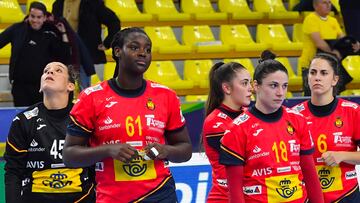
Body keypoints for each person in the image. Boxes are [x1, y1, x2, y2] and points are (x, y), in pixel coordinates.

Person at [64, 27, 192, 202]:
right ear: (118, 51)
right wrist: (108, 150)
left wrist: (165, 150)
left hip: (160, 194)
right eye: (134, 47)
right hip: (112, 197)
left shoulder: (166, 96)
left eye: (147, 49)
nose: (142, 53)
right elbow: (69, 156)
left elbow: (185, 149)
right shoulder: (92, 98)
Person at [219, 50, 324, 203]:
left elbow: (311, 177)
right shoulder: (237, 129)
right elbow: (235, 192)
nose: (281, 93)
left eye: (284, 86)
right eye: (274, 85)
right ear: (256, 86)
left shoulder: (298, 120)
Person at [4, 62, 95, 203]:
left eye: (58, 70)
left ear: (70, 86)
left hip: (80, 198)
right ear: (40, 86)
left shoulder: (84, 117)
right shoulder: (23, 120)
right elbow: (13, 171)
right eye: (46, 70)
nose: (50, 72)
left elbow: (98, 166)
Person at [292, 53, 360, 202]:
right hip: (307, 196)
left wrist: (342, 156)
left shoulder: (353, 112)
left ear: (334, 79)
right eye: (313, 72)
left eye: (324, 73)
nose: (317, 77)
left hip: (346, 196)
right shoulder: (294, 116)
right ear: (308, 78)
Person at [0, 1, 71, 107]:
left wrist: (63, 33)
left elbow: (64, 56)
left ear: (44, 18)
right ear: (28, 15)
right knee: (22, 118)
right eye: (32, 16)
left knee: (40, 118)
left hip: (43, 87)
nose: (35, 20)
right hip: (20, 86)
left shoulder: (50, 33)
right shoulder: (17, 29)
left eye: (39, 17)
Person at [202, 62, 252, 202]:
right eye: (244, 83)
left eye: (250, 83)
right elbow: (251, 156)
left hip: (248, 196)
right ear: (227, 88)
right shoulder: (214, 122)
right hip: (225, 197)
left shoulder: (248, 114)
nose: (251, 89)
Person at [299, 0, 359, 95]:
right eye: (324, 3)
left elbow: (343, 38)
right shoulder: (310, 19)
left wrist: (353, 43)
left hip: (328, 66)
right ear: (315, 5)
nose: (328, 5)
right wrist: (333, 53)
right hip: (310, 65)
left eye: (329, 3)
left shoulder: (333, 20)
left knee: (331, 95)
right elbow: (319, 42)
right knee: (312, 96)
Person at [52, 0, 120, 65]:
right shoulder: (57, 4)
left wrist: (108, 42)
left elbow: (114, 22)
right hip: (62, 54)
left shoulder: (92, 3)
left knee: (80, 76)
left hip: (83, 56)